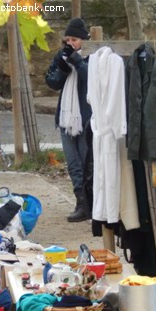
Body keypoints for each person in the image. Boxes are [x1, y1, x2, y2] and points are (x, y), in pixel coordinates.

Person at [45, 18, 91, 222]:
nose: (70, 43)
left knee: (86, 163)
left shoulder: (92, 57)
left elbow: (91, 80)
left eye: (74, 39)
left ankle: (91, 204)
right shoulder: (62, 56)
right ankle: (81, 204)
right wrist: (63, 66)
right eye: (67, 40)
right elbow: (52, 82)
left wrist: (77, 61)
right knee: (73, 164)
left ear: (83, 40)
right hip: (65, 118)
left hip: (85, 119)